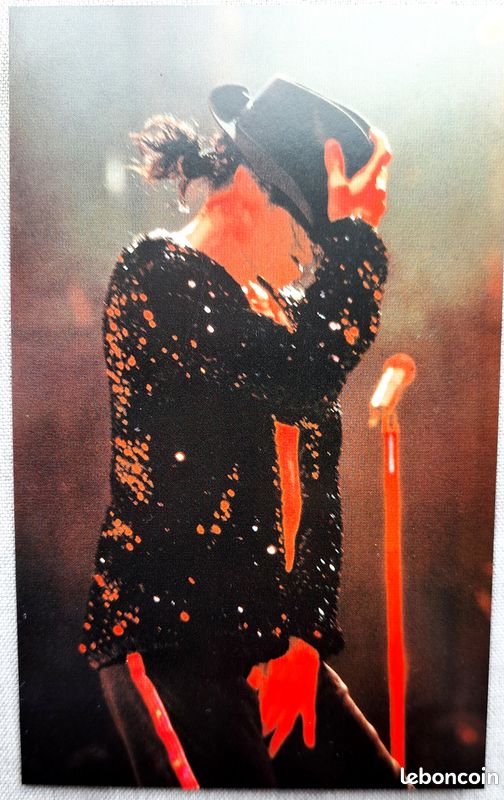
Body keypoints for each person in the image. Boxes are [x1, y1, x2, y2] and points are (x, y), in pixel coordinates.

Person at [80, 76, 400, 788]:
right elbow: (300, 376)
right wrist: (355, 237)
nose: (312, 260)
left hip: (271, 642)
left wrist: (304, 640)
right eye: (308, 234)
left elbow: (316, 491)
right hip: (174, 639)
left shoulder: (273, 309)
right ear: (254, 187)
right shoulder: (156, 277)